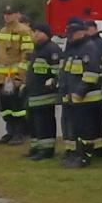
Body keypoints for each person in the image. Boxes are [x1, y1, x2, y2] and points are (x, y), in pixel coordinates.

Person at [59, 19, 102, 168]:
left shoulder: (89, 48)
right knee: (75, 129)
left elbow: (91, 74)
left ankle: (85, 157)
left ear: (81, 33)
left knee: (85, 130)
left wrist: (79, 92)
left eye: (71, 34)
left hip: (86, 98)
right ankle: (76, 154)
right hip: (72, 97)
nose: (69, 37)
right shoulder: (73, 48)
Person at [0, 6, 33, 144]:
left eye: (10, 13)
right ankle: (10, 132)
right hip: (1, 77)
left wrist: (20, 77)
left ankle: (19, 133)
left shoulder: (24, 31)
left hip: (13, 77)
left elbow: (26, 55)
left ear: (17, 14)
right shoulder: (2, 31)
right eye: (5, 13)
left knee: (17, 107)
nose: (7, 16)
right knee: (5, 107)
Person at [23, 23, 63, 160]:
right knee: (34, 123)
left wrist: (52, 83)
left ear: (47, 34)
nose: (36, 34)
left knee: (44, 123)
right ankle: (36, 147)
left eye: (40, 32)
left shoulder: (52, 49)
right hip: (34, 93)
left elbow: (57, 72)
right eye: (35, 31)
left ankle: (46, 150)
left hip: (45, 95)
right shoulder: (37, 49)